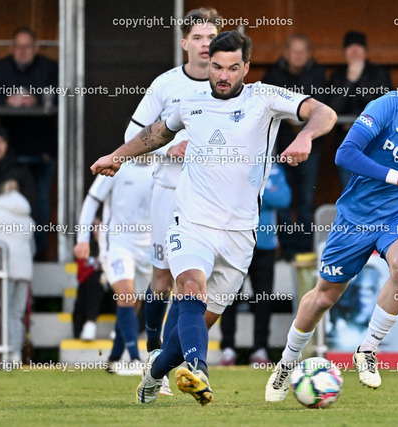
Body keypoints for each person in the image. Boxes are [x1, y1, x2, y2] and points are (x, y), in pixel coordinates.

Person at [91, 30, 336, 405]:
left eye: (233, 68)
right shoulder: (190, 103)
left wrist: (306, 137)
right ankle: (200, 372)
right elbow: (156, 134)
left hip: (240, 233)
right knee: (190, 286)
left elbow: (324, 112)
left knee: (192, 330)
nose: (223, 75)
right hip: (192, 222)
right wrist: (117, 157)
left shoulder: (265, 98)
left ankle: (155, 373)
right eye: (217, 67)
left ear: (246, 68)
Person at [264, 58, 398, 402]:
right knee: (324, 297)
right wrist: (397, 176)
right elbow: (344, 154)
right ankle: (287, 362)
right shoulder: (386, 107)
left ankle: (367, 349)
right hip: (356, 217)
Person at [122, 7, 222, 394]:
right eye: (197, 37)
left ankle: (170, 362)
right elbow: (132, 136)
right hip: (168, 192)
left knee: (191, 283)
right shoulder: (165, 85)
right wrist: (169, 149)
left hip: (209, 198)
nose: (205, 44)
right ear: (184, 43)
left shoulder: (227, 85)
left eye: (211, 37)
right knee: (163, 280)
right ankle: (153, 351)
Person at [74, 158, 154, 374]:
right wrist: (82, 239)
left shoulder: (161, 167)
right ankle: (135, 359)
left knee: (134, 303)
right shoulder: (116, 164)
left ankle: (114, 357)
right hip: (117, 243)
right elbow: (92, 200)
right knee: (126, 295)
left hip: (147, 245)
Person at [0, 27, 58, 257]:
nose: (22, 51)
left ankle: (39, 253)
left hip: (42, 149)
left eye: (27, 46)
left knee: (40, 201)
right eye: (18, 46)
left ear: (35, 48)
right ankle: (6, 252)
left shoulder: (50, 68)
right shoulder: (0, 67)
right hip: (10, 151)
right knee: (5, 199)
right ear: (11, 48)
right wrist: (8, 100)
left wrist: (36, 100)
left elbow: (62, 98)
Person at [262, 35, 327, 260]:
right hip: (281, 147)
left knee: (306, 200)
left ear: (309, 53)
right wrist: (286, 114)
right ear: (286, 53)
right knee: (283, 200)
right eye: (294, 51)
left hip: (311, 148)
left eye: (302, 51)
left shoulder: (318, 74)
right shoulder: (273, 75)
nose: (298, 56)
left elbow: (325, 106)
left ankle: (305, 252)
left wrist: (302, 117)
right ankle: (288, 252)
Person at [219, 163, 291, 366]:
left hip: (265, 244)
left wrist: (251, 190)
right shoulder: (236, 165)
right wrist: (264, 190)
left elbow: (284, 199)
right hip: (236, 243)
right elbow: (229, 198)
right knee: (229, 297)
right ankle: (228, 348)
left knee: (263, 299)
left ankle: (260, 349)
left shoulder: (274, 168)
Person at [0, 179, 35, 363]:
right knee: (17, 314)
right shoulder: (28, 217)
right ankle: (16, 353)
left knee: (4, 311)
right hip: (25, 271)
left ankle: (5, 351)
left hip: (4, 270)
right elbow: (33, 248)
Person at [329, 31, 392, 188]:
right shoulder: (337, 75)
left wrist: (359, 121)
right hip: (347, 142)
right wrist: (350, 80)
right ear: (344, 52)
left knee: (374, 189)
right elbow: (332, 109)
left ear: (365, 50)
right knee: (351, 189)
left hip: (375, 142)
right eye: (350, 47)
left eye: (359, 46)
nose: (355, 51)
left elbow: (387, 106)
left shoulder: (379, 73)